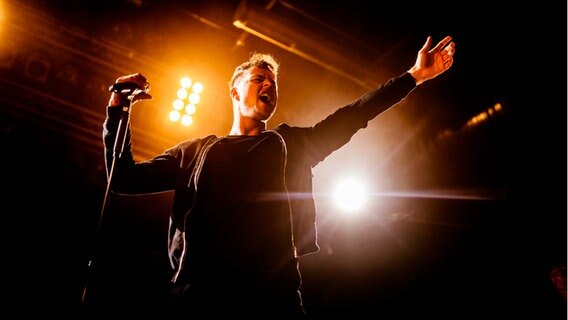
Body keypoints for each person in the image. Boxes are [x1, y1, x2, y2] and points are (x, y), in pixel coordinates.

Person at [101, 35, 455, 318]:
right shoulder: (195, 152)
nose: (268, 85)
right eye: (258, 79)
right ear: (235, 91)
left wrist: (414, 76)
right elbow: (123, 179)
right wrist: (119, 107)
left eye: (273, 82)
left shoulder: (293, 144)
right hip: (199, 297)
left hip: (270, 300)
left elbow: (354, 115)